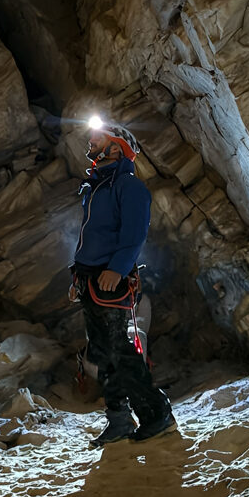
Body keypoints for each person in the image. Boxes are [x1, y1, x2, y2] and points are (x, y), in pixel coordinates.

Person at [71, 116, 175, 447]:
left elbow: (134, 234)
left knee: (121, 350)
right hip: (91, 279)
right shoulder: (95, 187)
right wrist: (77, 276)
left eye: (98, 140)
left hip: (111, 280)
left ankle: (156, 413)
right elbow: (88, 239)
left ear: (117, 148)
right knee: (102, 351)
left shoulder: (129, 187)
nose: (92, 143)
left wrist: (117, 268)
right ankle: (118, 419)